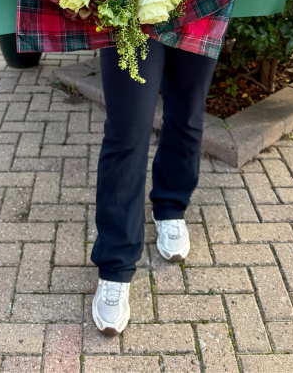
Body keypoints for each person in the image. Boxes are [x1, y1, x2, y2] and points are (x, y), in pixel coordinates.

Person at [91, 40, 217, 335]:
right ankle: (115, 265)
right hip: (129, 7)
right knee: (126, 133)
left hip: (200, 2)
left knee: (187, 114)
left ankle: (170, 207)